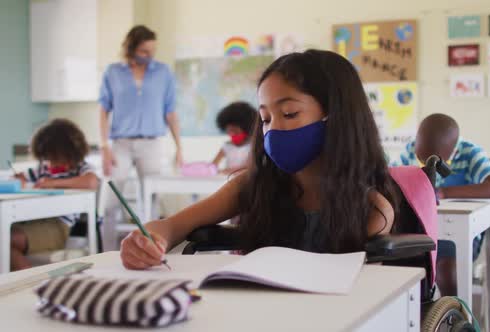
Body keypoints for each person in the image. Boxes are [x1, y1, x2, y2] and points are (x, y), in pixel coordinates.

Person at [119, 50, 403, 269]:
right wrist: (149, 239)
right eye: (265, 118)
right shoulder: (252, 186)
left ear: (337, 116)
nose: (274, 129)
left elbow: (362, 296)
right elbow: (172, 225)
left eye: (289, 113)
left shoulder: (370, 208)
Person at [394, 113, 490, 296]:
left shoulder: (470, 153)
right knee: (396, 259)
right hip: (421, 230)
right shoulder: (409, 150)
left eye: (433, 161)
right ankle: (418, 315)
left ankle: (453, 314)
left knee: (445, 267)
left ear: (451, 151)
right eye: (421, 158)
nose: (425, 164)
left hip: (460, 236)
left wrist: (444, 192)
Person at [98, 25, 182, 250]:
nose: (149, 56)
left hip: (152, 143)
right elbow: (103, 110)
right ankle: (105, 251)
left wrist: (179, 148)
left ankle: (149, 249)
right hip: (120, 144)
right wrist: (104, 146)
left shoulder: (163, 72)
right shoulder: (113, 72)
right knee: (110, 201)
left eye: (152, 51)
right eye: (144, 51)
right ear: (131, 48)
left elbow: (171, 112)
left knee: (152, 202)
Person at [11, 119, 99, 271]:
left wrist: (54, 182)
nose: (50, 164)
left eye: (54, 158)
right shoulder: (42, 169)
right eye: (46, 158)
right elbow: (23, 180)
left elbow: (91, 182)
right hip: (31, 223)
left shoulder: (80, 168)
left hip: (58, 228)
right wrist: (19, 180)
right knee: (5, 239)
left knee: (7, 241)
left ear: (69, 153)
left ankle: (29, 287)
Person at [212, 102, 257, 174]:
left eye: (235, 131)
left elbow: (248, 167)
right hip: (228, 180)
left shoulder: (253, 146)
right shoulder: (227, 146)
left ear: (246, 129)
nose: (232, 134)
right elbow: (213, 166)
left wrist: (224, 171)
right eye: (229, 131)